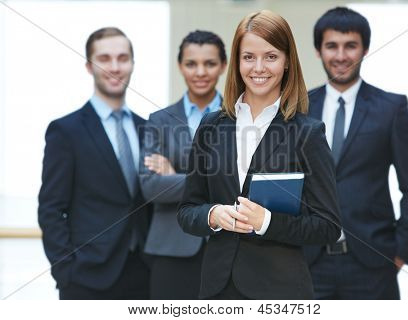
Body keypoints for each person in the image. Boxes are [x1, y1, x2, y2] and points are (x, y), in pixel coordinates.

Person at [177, 10, 341, 300]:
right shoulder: (211, 126)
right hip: (217, 290)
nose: (259, 67)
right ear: (237, 62)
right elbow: (188, 210)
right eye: (248, 57)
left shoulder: (308, 132)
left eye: (271, 56)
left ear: (288, 61)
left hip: (279, 291)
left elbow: (327, 226)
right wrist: (213, 214)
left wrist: (266, 221)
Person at [304, 7, 408, 299]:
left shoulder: (391, 109)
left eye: (351, 46)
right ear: (319, 51)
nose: (341, 55)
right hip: (309, 262)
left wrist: (401, 252)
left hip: (374, 263)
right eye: (332, 46)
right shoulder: (299, 108)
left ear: (365, 49)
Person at [38, 27, 151, 299]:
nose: (115, 66)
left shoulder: (148, 128)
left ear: (132, 64)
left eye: (123, 58)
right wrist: (65, 272)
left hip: (143, 275)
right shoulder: (66, 131)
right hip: (86, 278)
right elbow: (51, 208)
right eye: (105, 58)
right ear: (89, 66)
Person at [139, 30, 227, 299]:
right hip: (171, 249)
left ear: (223, 66)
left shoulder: (240, 116)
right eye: (191, 63)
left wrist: (176, 175)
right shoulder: (159, 120)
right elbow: (151, 187)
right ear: (180, 66)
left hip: (228, 247)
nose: (200, 72)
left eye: (209, 63)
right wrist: (214, 178)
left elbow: (245, 182)